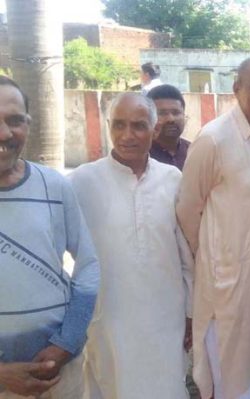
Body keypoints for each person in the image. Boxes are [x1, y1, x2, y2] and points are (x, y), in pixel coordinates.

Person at [176, 55, 250, 399]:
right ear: (236, 90)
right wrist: (219, 257)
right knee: (234, 375)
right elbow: (187, 209)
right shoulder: (213, 139)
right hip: (231, 287)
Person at [70, 93, 193, 399]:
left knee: (166, 386)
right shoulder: (81, 181)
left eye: (138, 126)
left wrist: (192, 311)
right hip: (109, 317)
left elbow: (185, 254)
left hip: (167, 315)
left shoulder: (172, 179)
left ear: (154, 130)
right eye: (119, 125)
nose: (127, 135)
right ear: (108, 126)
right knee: (112, 384)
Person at [0, 76, 100, 399]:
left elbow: (88, 266)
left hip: (61, 374)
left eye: (15, 121)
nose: (5, 133)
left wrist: (66, 343)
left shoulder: (54, 185)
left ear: (28, 124)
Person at [146, 84, 189, 170]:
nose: (170, 119)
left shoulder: (194, 151)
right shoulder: (140, 154)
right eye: (162, 113)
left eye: (176, 113)